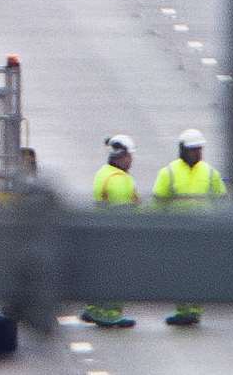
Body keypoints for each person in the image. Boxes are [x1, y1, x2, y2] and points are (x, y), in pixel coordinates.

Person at [152, 128, 227, 326]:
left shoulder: (210, 173)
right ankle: (183, 309)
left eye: (199, 149)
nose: (197, 153)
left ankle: (194, 310)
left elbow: (221, 200)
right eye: (193, 149)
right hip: (178, 232)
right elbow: (158, 202)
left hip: (203, 232)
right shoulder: (168, 172)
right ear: (183, 150)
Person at [81, 134, 139, 329]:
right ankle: (111, 314)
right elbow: (126, 211)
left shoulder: (103, 172)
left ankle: (94, 308)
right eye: (130, 156)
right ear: (121, 156)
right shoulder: (120, 180)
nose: (131, 160)